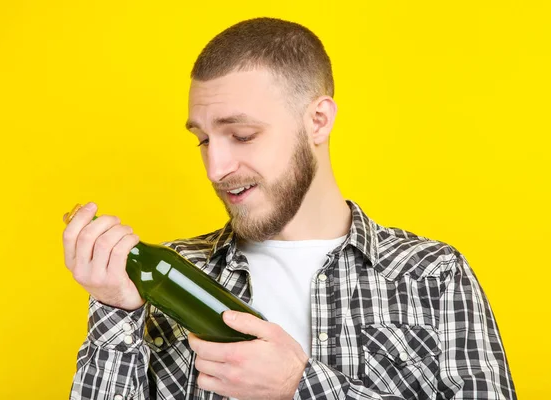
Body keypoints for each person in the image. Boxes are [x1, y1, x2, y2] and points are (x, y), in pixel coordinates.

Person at [63, 17, 516, 400]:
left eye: (241, 135)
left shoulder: (434, 275)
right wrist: (115, 310)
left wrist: (300, 384)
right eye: (202, 140)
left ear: (317, 120)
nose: (215, 168)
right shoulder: (168, 278)